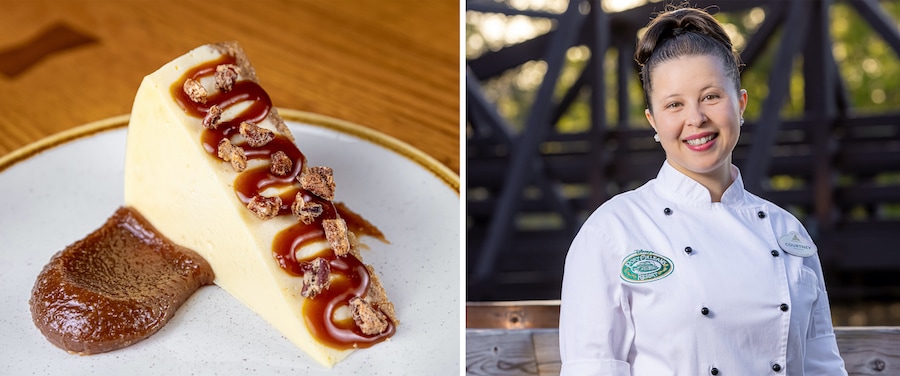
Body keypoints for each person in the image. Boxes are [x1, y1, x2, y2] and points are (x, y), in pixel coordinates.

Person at [558, 5, 847, 375]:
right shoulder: (611, 232)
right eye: (674, 104)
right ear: (654, 120)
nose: (695, 119)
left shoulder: (788, 232)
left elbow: (824, 367)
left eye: (711, 96)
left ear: (740, 104)